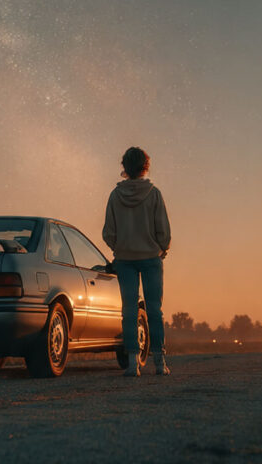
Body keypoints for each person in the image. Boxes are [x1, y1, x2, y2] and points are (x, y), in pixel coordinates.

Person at [102, 146, 171, 376]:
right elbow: (163, 230)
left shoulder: (114, 196)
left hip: (125, 260)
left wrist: (119, 247)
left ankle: (133, 363)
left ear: (125, 168)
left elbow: (108, 232)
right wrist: (162, 248)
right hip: (151, 258)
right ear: (145, 166)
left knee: (129, 311)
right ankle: (160, 362)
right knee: (154, 310)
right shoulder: (154, 194)